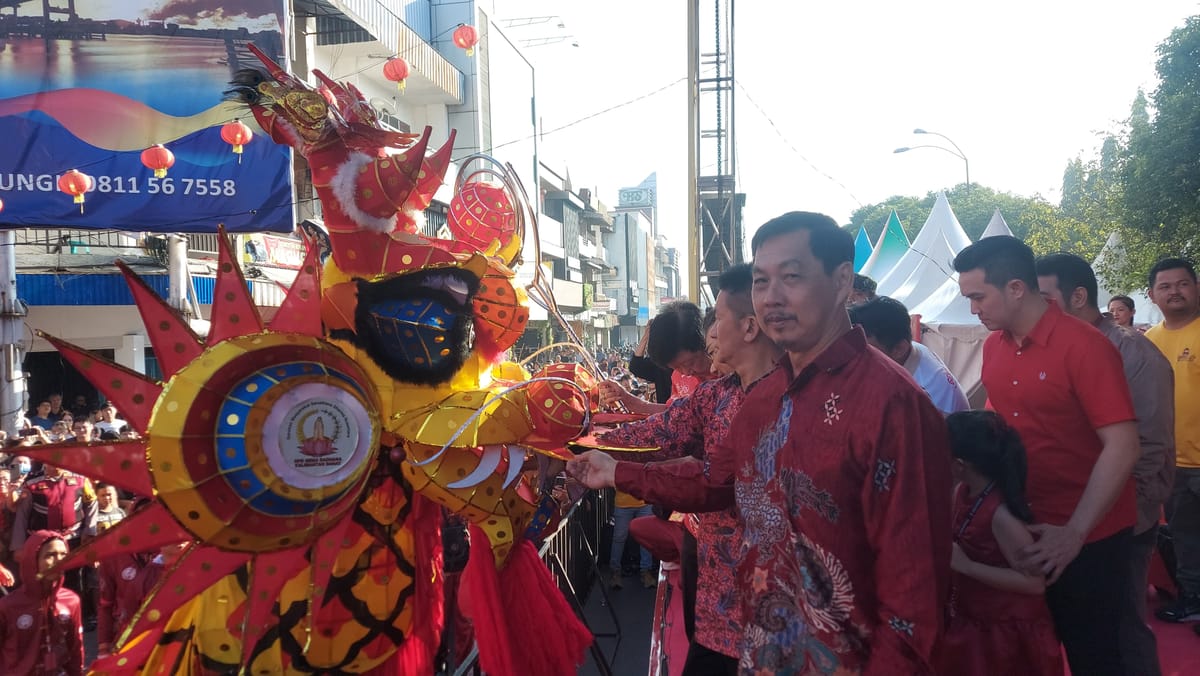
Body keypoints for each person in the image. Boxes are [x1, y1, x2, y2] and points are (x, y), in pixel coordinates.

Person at [575, 212, 953, 673]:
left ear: (841, 280)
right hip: (759, 648)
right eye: (760, 281)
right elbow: (716, 484)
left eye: (791, 277)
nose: (771, 297)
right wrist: (608, 466)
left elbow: (916, 592)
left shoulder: (893, 404)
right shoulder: (760, 398)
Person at [571, 263, 783, 674]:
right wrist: (575, 440)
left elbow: (711, 486)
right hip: (719, 595)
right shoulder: (720, 394)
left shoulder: (776, 401)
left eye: (718, 319)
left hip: (767, 604)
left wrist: (616, 472)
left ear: (751, 327)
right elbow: (661, 431)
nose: (712, 332)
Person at [954, 236, 1143, 674]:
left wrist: (1074, 532)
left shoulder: (1085, 345)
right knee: (1027, 651)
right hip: (1023, 524)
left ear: (1017, 288)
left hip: (1090, 534)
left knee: (1093, 654)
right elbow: (996, 421)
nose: (973, 309)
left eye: (978, 297)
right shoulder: (993, 347)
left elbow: (1124, 444)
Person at [1036, 252, 1175, 669]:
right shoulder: (1052, 346)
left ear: (1078, 296)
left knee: (1122, 622)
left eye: (1044, 298)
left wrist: (1115, 514)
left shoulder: (1133, 353)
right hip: (1073, 511)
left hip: (1123, 513)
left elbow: (1147, 448)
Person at [940, 410, 1063, 676]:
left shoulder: (1002, 516)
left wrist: (968, 566)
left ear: (960, 464)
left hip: (1007, 632)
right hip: (974, 618)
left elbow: (1034, 584)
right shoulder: (962, 492)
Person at [1144, 257, 1200, 631]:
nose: (1174, 291)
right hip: (1172, 462)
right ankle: (1193, 600)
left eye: (1182, 283)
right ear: (1152, 295)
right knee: (1185, 537)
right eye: (1165, 286)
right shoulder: (1148, 341)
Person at [848, 295, 969, 414]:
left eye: (867, 349)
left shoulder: (919, 396)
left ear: (899, 349)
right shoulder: (910, 350)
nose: (858, 356)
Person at [0, 531, 84, 675]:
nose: (59, 560)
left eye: (63, 554)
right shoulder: (8, 606)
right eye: (50, 555)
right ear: (32, 560)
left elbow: (75, 649)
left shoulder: (71, 601)